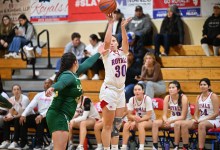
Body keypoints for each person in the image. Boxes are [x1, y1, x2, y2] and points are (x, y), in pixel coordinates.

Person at [45, 44, 106, 150]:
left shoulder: (74, 73)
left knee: (62, 147)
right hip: (58, 114)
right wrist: (53, 87)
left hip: (63, 115)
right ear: (75, 62)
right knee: (59, 148)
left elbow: (87, 63)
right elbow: (62, 83)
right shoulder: (68, 75)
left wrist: (99, 53)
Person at [99, 13, 131, 150]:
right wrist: (111, 24)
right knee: (107, 125)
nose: (111, 43)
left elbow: (126, 43)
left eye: (114, 41)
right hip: (108, 92)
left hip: (120, 92)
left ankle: (115, 148)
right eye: (110, 41)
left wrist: (123, 27)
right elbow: (105, 43)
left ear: (117, 43)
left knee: (117, 125)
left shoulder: (123, 53)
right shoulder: (105, 53)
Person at [181, 78, 219, 150]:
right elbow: (195, 113)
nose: (202, 86)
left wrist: (203, 120)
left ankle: (200, 148)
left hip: (214, 120)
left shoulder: (213, 96)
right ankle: (185, 147)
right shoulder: (198, 97)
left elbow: (216, 113)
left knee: (202, 124)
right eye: (201, 85)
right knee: (184, 124)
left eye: (204, 84)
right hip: (202, 119)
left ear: (209, 87)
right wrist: (196, 119)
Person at [152, 80, 191, 150]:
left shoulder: (183, 98)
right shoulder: (167, 97)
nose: (171, 89)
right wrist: (166, 121)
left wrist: (170, 122)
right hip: (172, 120)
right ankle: (155, 146)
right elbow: (164, 114)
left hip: (184, 120)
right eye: (169, 88)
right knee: (155, 123)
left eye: (173, 88)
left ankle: (176, 146)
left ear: (178, 89)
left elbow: (183, 117)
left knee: (177, 123)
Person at [19, 79, 53, 150]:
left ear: (52, 85)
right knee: (24, 120)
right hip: (39, 115)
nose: (47, 84)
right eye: (45, 83)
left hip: (50, 116)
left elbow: (51, 109)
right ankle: (24, 144)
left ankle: (39, 144)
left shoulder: (55, 95)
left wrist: (41, 115)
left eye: (49, 83)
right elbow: (31, 105)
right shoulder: (39, 95)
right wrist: (23, 115)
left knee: (40, 120)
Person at [121, 83, 155, 150]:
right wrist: (134, 118)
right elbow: (129, 115)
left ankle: (141, 147)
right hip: (138, 120)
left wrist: (136, 121)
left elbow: (148, 116)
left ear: (143, 91)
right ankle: (124, 146)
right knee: (126, 125)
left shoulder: (147, 99)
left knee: (140, 125)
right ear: (133, 91)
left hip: (150, 120)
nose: (137, 91)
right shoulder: (132, 99)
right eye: (135, 90)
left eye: (139, 89)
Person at [0, 84, 30, 149]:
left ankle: (15, 141)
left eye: (18, 89)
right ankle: (6, 141)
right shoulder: (11, 99)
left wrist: (12, 116)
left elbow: (22, 113)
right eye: (14, 89)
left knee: (17, 119)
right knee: (6, 120)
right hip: (17, 116)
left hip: (27, 117)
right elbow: (10, 112)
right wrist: (7, 116)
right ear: (12, 91)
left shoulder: (25, 98)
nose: (16, 91)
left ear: (21, 91)